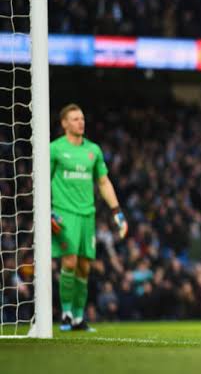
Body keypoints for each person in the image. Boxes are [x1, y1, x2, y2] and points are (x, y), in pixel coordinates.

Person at [51, 104, 128, 331]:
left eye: (82, 118)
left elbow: (103, 182)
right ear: (64, 123)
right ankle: (65, 314)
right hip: (63, 213)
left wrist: (117, 211)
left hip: (88, 214)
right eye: (75, 119)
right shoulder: (54, 149)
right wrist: (47, 211)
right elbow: (42, 179)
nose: (80, 122)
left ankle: (78, 317)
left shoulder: (93, 150)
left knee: (84, 267)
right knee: (69, 261)